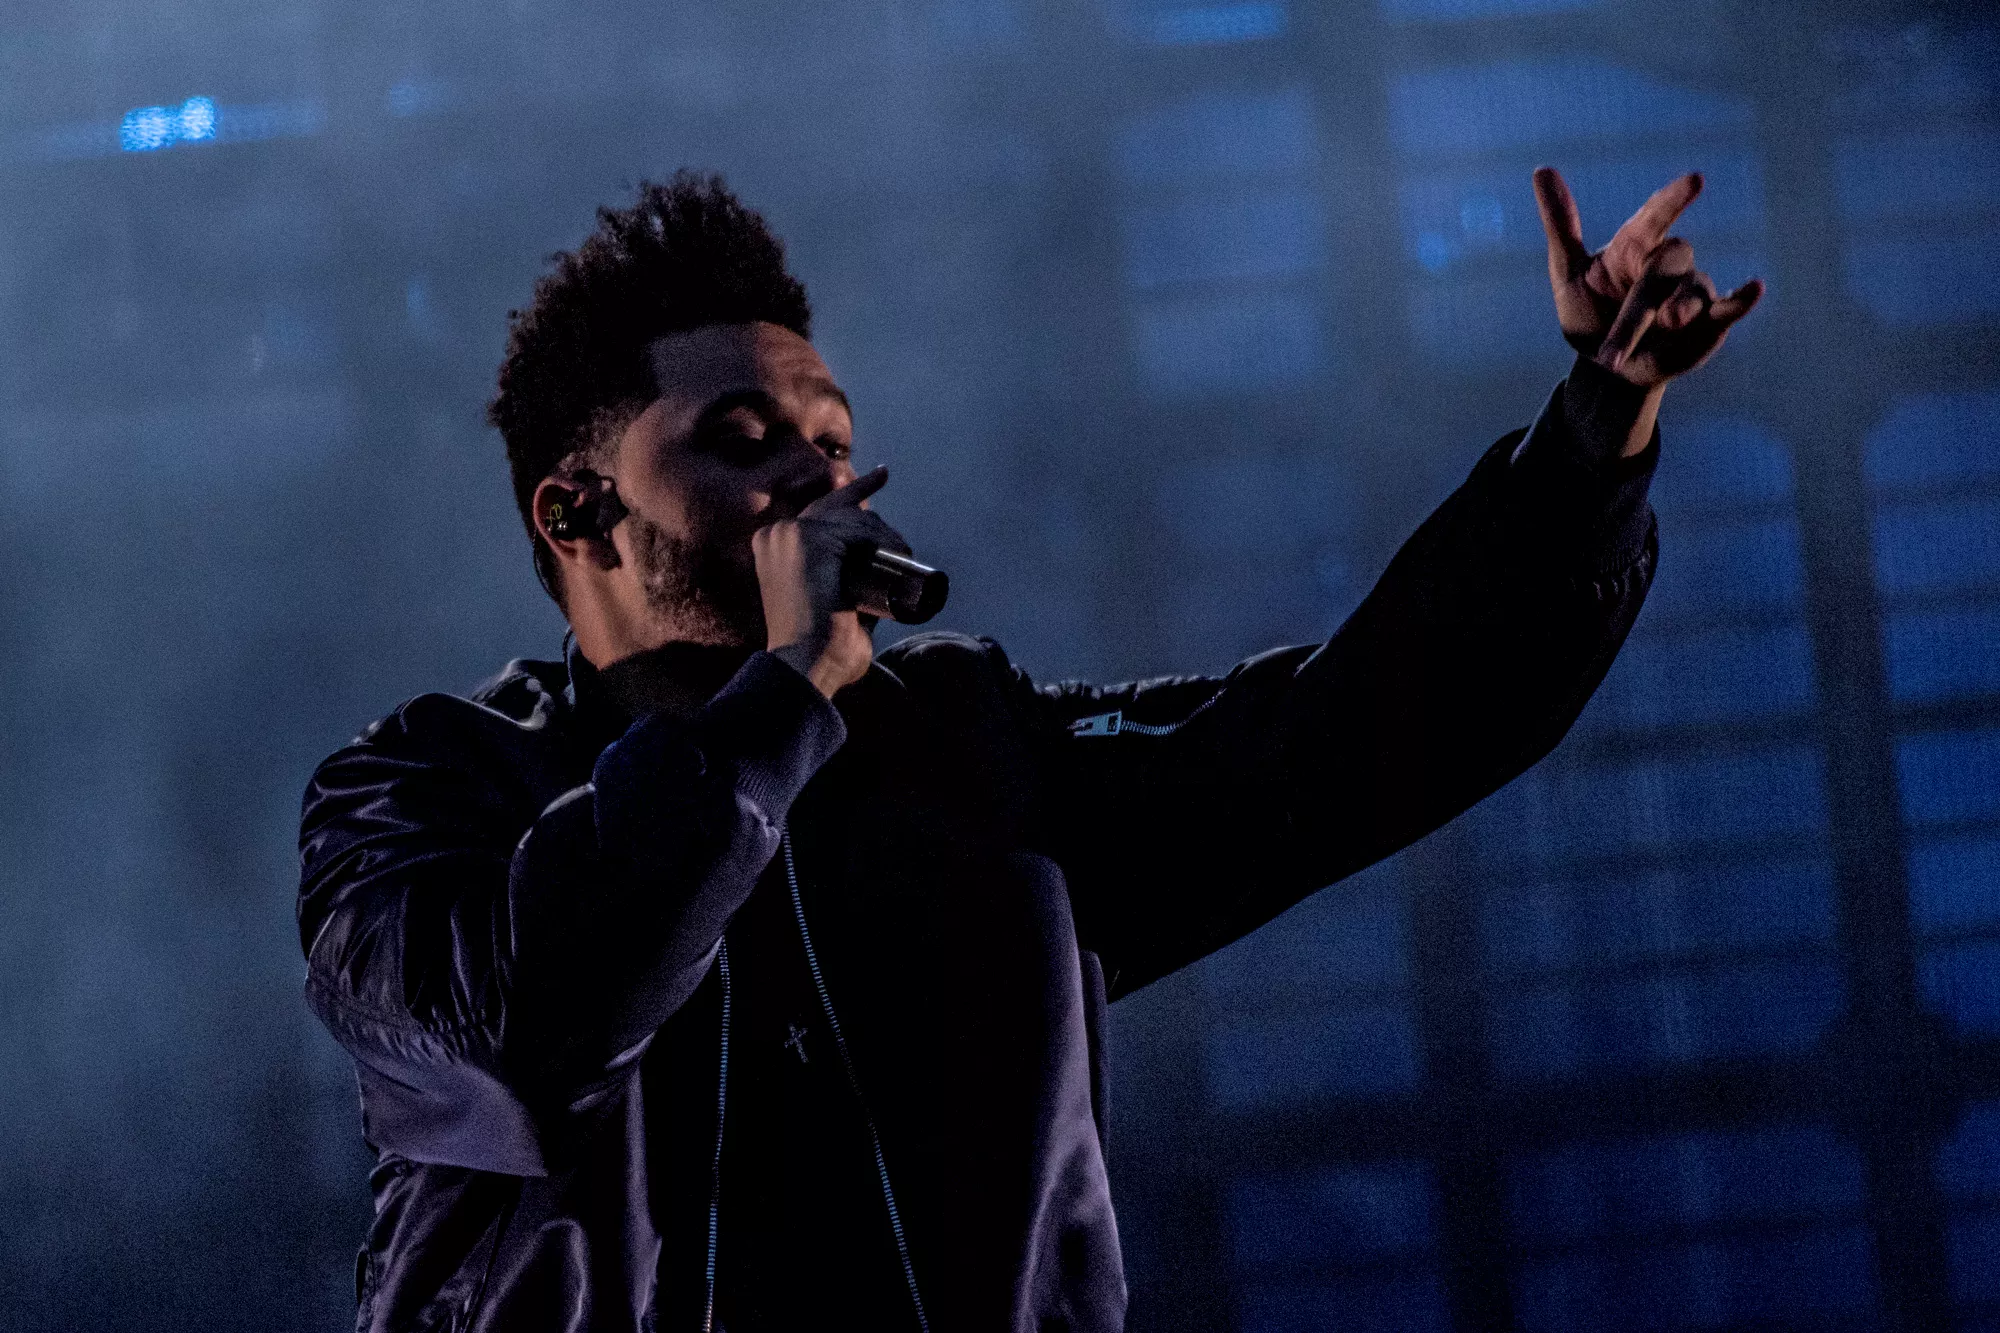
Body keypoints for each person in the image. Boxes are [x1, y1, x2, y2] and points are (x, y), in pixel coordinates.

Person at [298, 169, 1760, 1333]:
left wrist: (1596, 427)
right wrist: (787, 687)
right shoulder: (423, 791)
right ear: (577, 514)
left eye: (832, 442)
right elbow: (524, 1032)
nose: (813, 475)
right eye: (741, 441)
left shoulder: (966, 751)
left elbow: (1347, 737)